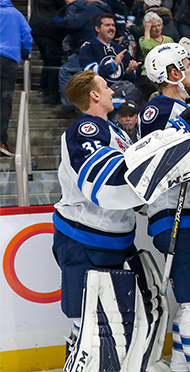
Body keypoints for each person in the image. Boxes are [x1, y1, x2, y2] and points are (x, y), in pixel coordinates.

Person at [140, 43, 190, 372]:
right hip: (181, 218)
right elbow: (158, 160)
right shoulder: (160, 111)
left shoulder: (184, 107)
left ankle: (180, 364)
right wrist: (183, 128)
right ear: (173, 73)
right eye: (186, 66)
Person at [52, 69, 143, 360]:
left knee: (112, 325)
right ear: (93, 95)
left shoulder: (113, 130)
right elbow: (104, 185)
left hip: (113, 240)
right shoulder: (86, 130)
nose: (110, 91)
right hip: (85, 240)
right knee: (87, 326)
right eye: (105, 87)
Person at [0, 0, 32, 157]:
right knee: (4, 101)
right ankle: (1, 141)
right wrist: (25, 54)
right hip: (8, 61)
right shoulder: (17, 14)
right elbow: (27, 37)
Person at [30, 0, 68, 105]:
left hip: (40, 30)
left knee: (48, 60)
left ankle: (44, 87)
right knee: (53, 61)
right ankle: (52, 92)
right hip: (49, 31)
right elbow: (68, 2)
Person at [79, 13, 140, 87]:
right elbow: (89, 72)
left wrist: (129, 72)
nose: (111, 28)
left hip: (121, 93)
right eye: (107, 25)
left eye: (113, 25)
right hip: (99, 92)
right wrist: (113, 65)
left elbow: (129, 80)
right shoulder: (89, 46)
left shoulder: (121, 49)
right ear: (97, 29)